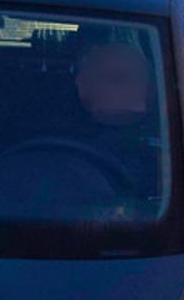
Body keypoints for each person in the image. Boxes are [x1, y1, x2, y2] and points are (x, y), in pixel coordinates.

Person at [71, 38, 165, 196]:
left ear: (151, 89)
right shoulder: (63, 134)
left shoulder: (175, 140)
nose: (122, 89)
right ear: (83, 85)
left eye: (130, 78)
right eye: (113, 78)